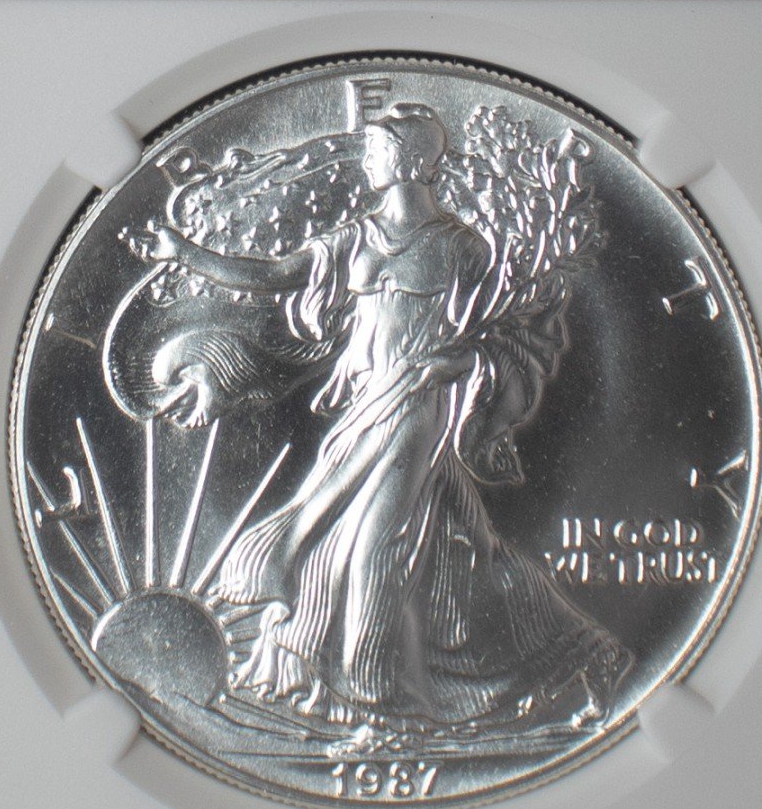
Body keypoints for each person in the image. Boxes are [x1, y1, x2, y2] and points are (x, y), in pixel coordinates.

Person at [142, 103, 628, 736]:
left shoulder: (462, 248)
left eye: (374, 151)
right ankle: (578, 658)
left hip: (417, 411)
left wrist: (458, 361)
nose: (365, 161)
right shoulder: (355, 238)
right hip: (365, 410)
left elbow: (511, 334)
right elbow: (276, 276)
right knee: (442, 549)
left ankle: (380, 702)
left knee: (374, 549)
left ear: (409, 161)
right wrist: (185, 252)